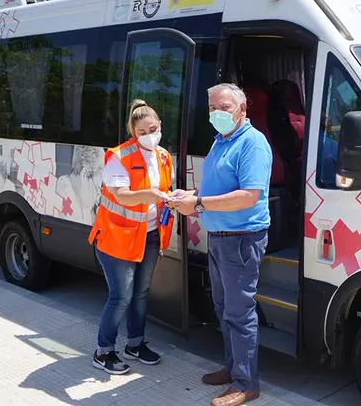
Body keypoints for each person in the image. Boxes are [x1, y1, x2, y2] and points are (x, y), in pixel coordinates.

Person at [170, 83, 272, 406]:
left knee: (239, 312)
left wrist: (198, 203)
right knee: (223, 309)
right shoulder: (221, 141)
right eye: (212, 108)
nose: (216, 114)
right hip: (219, 238)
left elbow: (248, 196)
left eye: (224, 107)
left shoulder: (252, 144)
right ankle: (232, 369)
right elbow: (214, 188)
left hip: (241, 240)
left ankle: (246, 383)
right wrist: (189, 197)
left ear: (243, 109)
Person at [87, 99, 175, 375]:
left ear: (160, 125)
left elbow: (164, 192)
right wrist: (148, 195)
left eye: (154, 128)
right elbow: (121, 195)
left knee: (141, 294)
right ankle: (103, 351)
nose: (150, 134)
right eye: (143, 132)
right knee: (120, 297)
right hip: (116, 238)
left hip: (149, 236)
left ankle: (135, 345)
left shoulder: (163, 157)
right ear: (133, 132)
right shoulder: (118, 157)